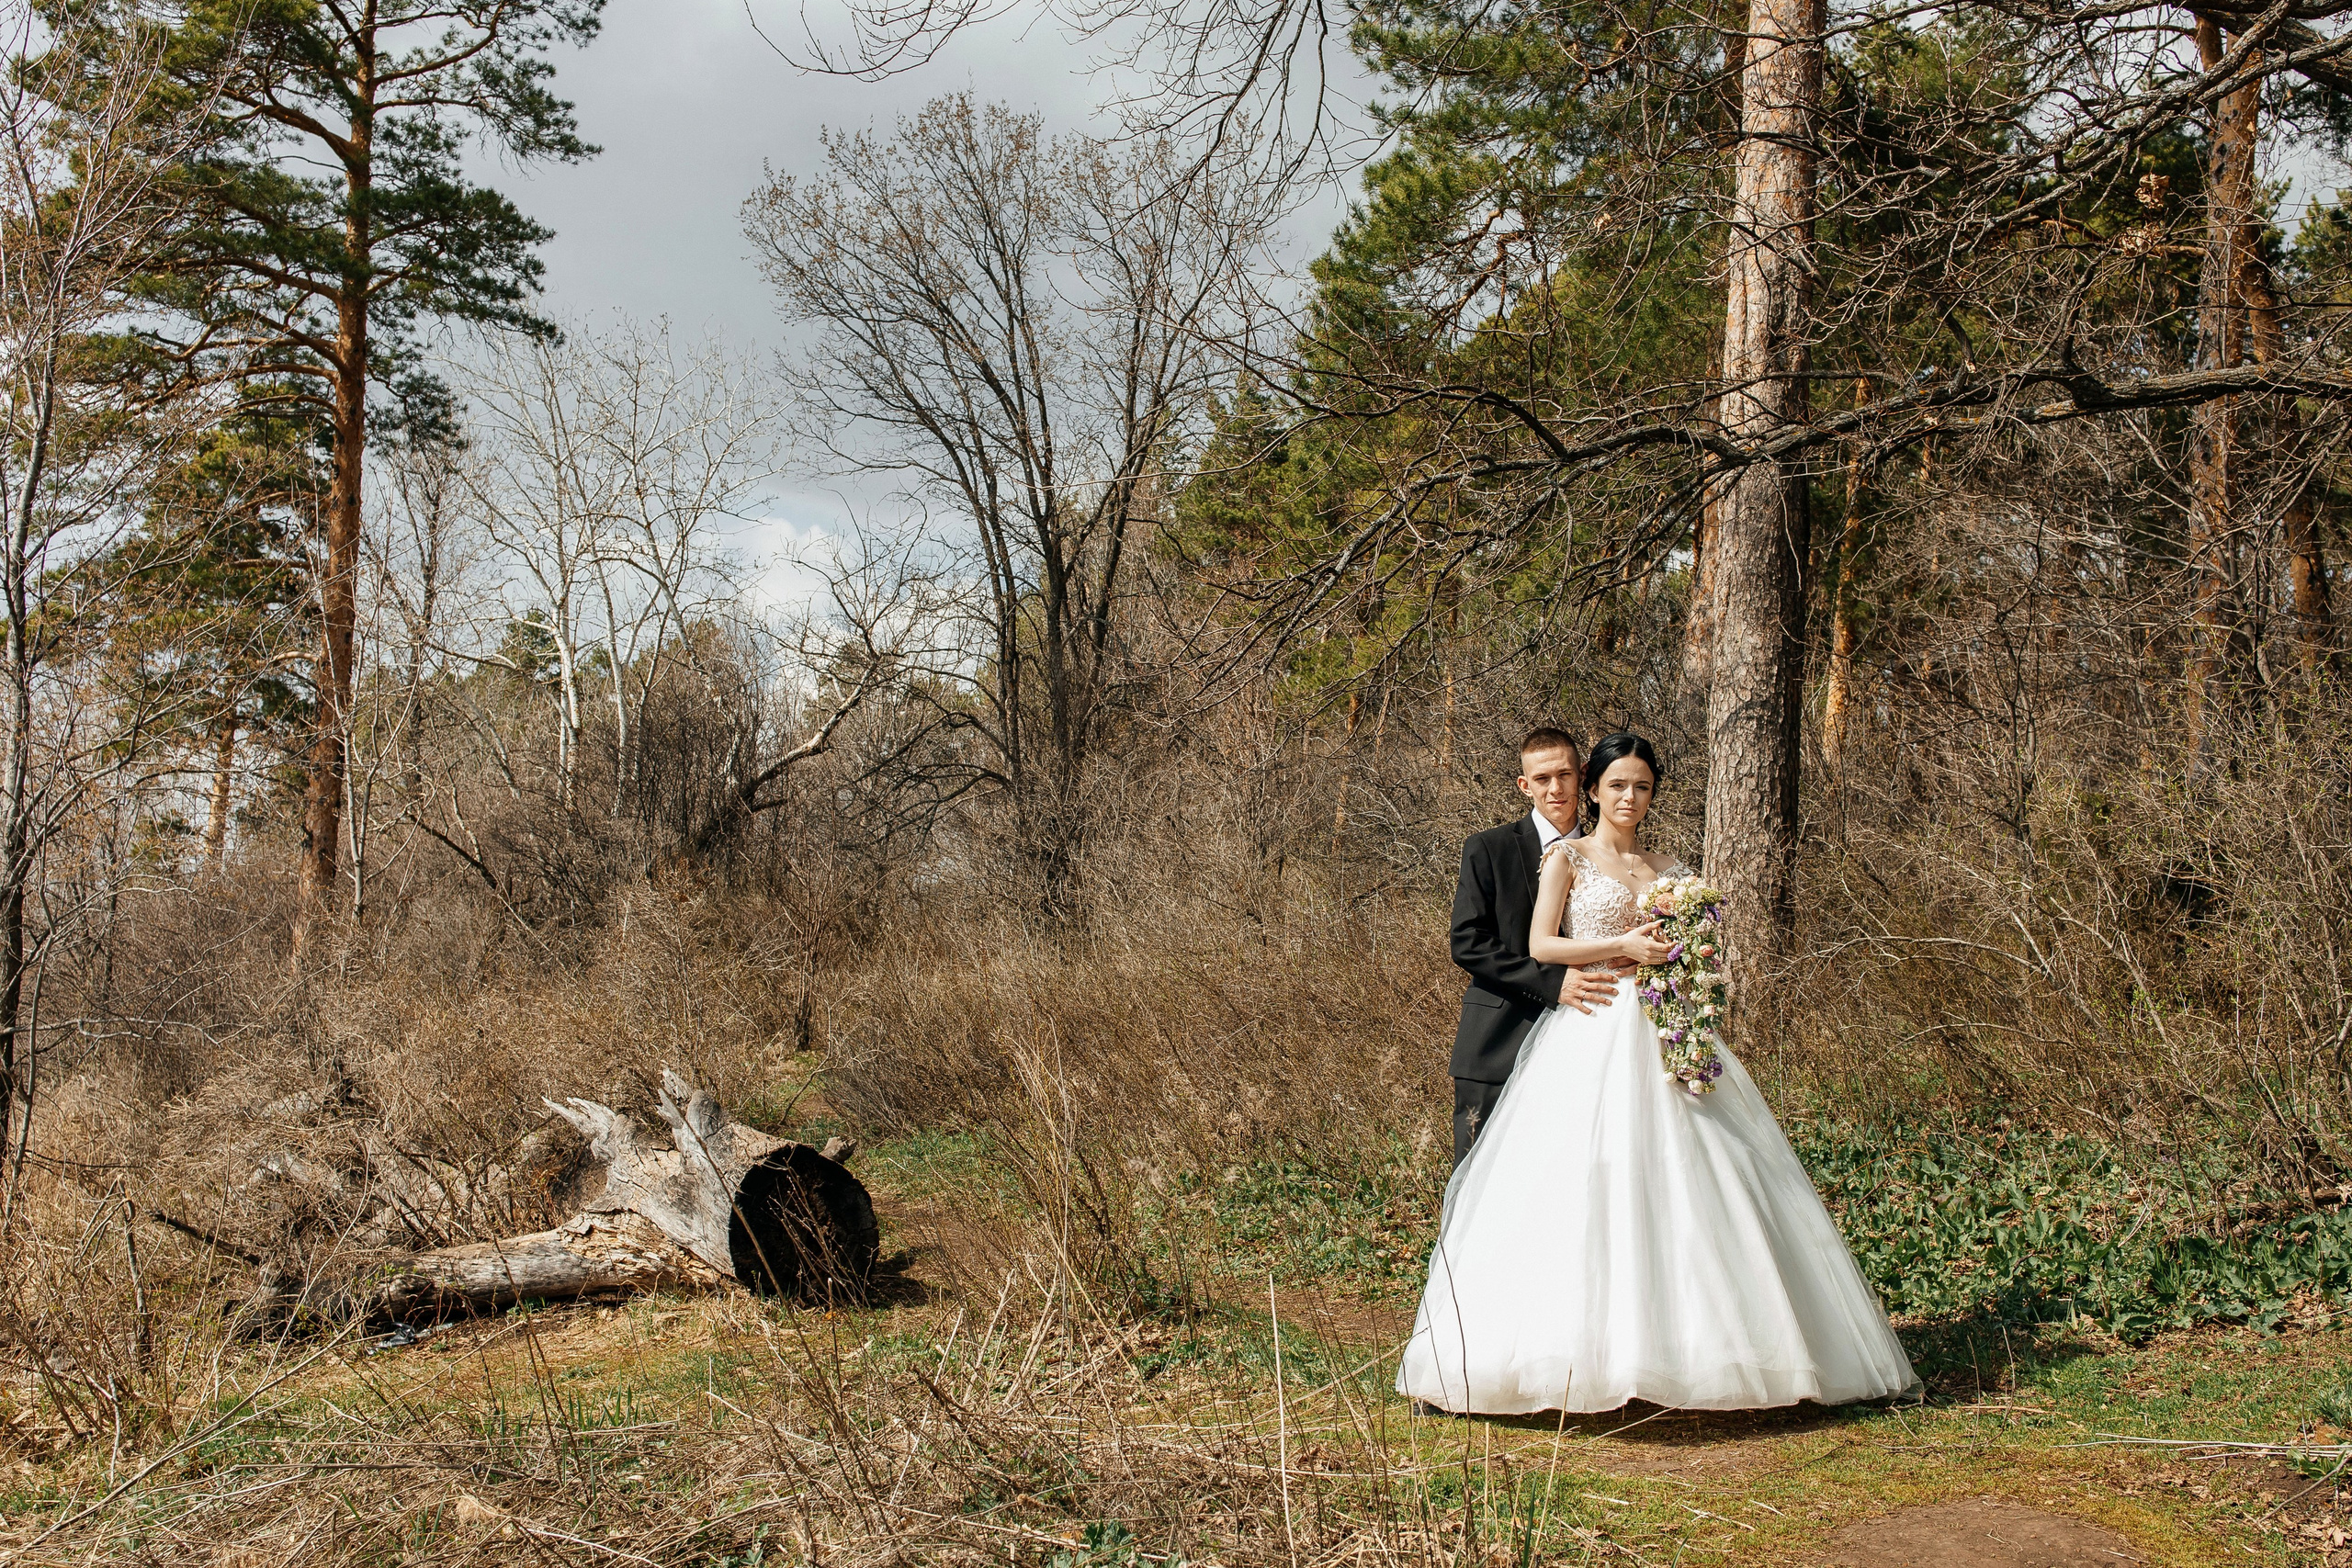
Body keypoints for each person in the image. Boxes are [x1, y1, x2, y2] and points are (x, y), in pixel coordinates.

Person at [1399, 732, 1919, 1415]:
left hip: (1659, 1027)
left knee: (1685, 1183)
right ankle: (1531, 1352)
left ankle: (1696, 1347)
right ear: (1592, 788)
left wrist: (1689, 979)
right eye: (1616, 785)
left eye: (1641, 786)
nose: (1628, 796)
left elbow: (1682, 952)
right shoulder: (1562, 857)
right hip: (1587, 1030)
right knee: (1572, 1187)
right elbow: (1535, 944)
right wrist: (1619, 945)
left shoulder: (1671, 868)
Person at [1444, 728, 1626, 1168]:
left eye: (1564, 774)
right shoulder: (1489, 848)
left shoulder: (1615, 852)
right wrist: (1553, 982)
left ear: (1583, 775)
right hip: (1498, 1042)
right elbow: (1467, 942)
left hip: (1592, 1042)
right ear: (1525, 785)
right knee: (1479, 1176)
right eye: (1542, 778)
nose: (1555, 788)